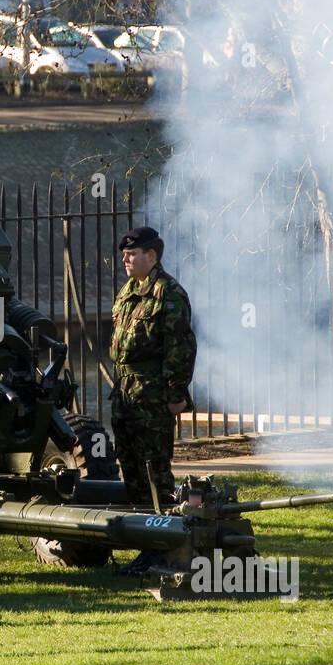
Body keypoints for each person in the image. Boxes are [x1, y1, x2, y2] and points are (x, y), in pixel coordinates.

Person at [110, 225, 196, 572]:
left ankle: (162, 544)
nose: (126, 260)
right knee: (131, 469)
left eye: (132, 254)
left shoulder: (169, 293)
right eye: (124, 255)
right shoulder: (129, 290)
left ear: (152, 255)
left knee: (155, 471)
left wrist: (176, 394)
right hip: (126, 392)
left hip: (153, 394)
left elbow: (181, 348)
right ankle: (146, 545)